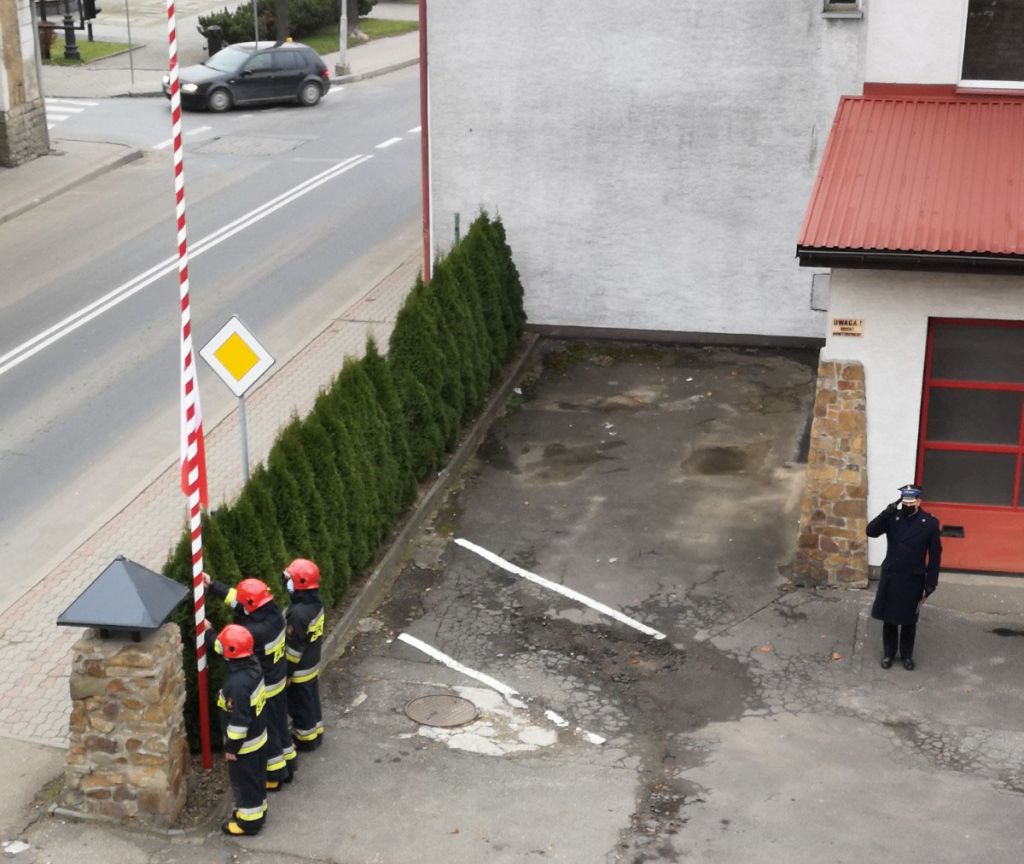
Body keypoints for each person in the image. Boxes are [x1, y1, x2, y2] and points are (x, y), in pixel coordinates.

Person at [205, 573, 294, 789]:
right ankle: (288, 763)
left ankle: (275, 776)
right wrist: (214, 586)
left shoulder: (253, 633)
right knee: (280, 725)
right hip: (278, 681)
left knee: (269, 732)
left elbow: (226, 647)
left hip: (266, 688)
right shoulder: (273, 614)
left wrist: (208, 633)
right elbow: (242, 603)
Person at [866, 484, 942, 670]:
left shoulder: (929, 523)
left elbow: (935, 555)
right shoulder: (893, 517)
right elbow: (871, 531)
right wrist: (885, 513)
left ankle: (907, 655)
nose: (908, 505)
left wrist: (931, 582)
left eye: (911, 502)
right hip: (892, 575)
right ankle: (889, 654)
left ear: (919, 501)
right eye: (905, 502)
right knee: (889, 618)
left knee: (909, 620)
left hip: (913, 578)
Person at [207, 623, 268, 836]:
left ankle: (249, 822)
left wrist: (231, 747)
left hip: (244, 745)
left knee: (245, 782)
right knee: (257, 779)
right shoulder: (253, 665)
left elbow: (239, 723)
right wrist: (209, 632)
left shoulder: (237, 686)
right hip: (258, 738)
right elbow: (226, 648)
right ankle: (258, 810)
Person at [282, 558, 326, 751]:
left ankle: (306, 739)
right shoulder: (315, 604)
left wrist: (286, 674)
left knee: (300, 706)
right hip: (311, 663)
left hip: (299, 670)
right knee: (311, 701)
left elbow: (292, 652)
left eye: (289, 579)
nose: (286, 582)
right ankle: (316, 731)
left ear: (300, 583)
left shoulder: (298, 614)